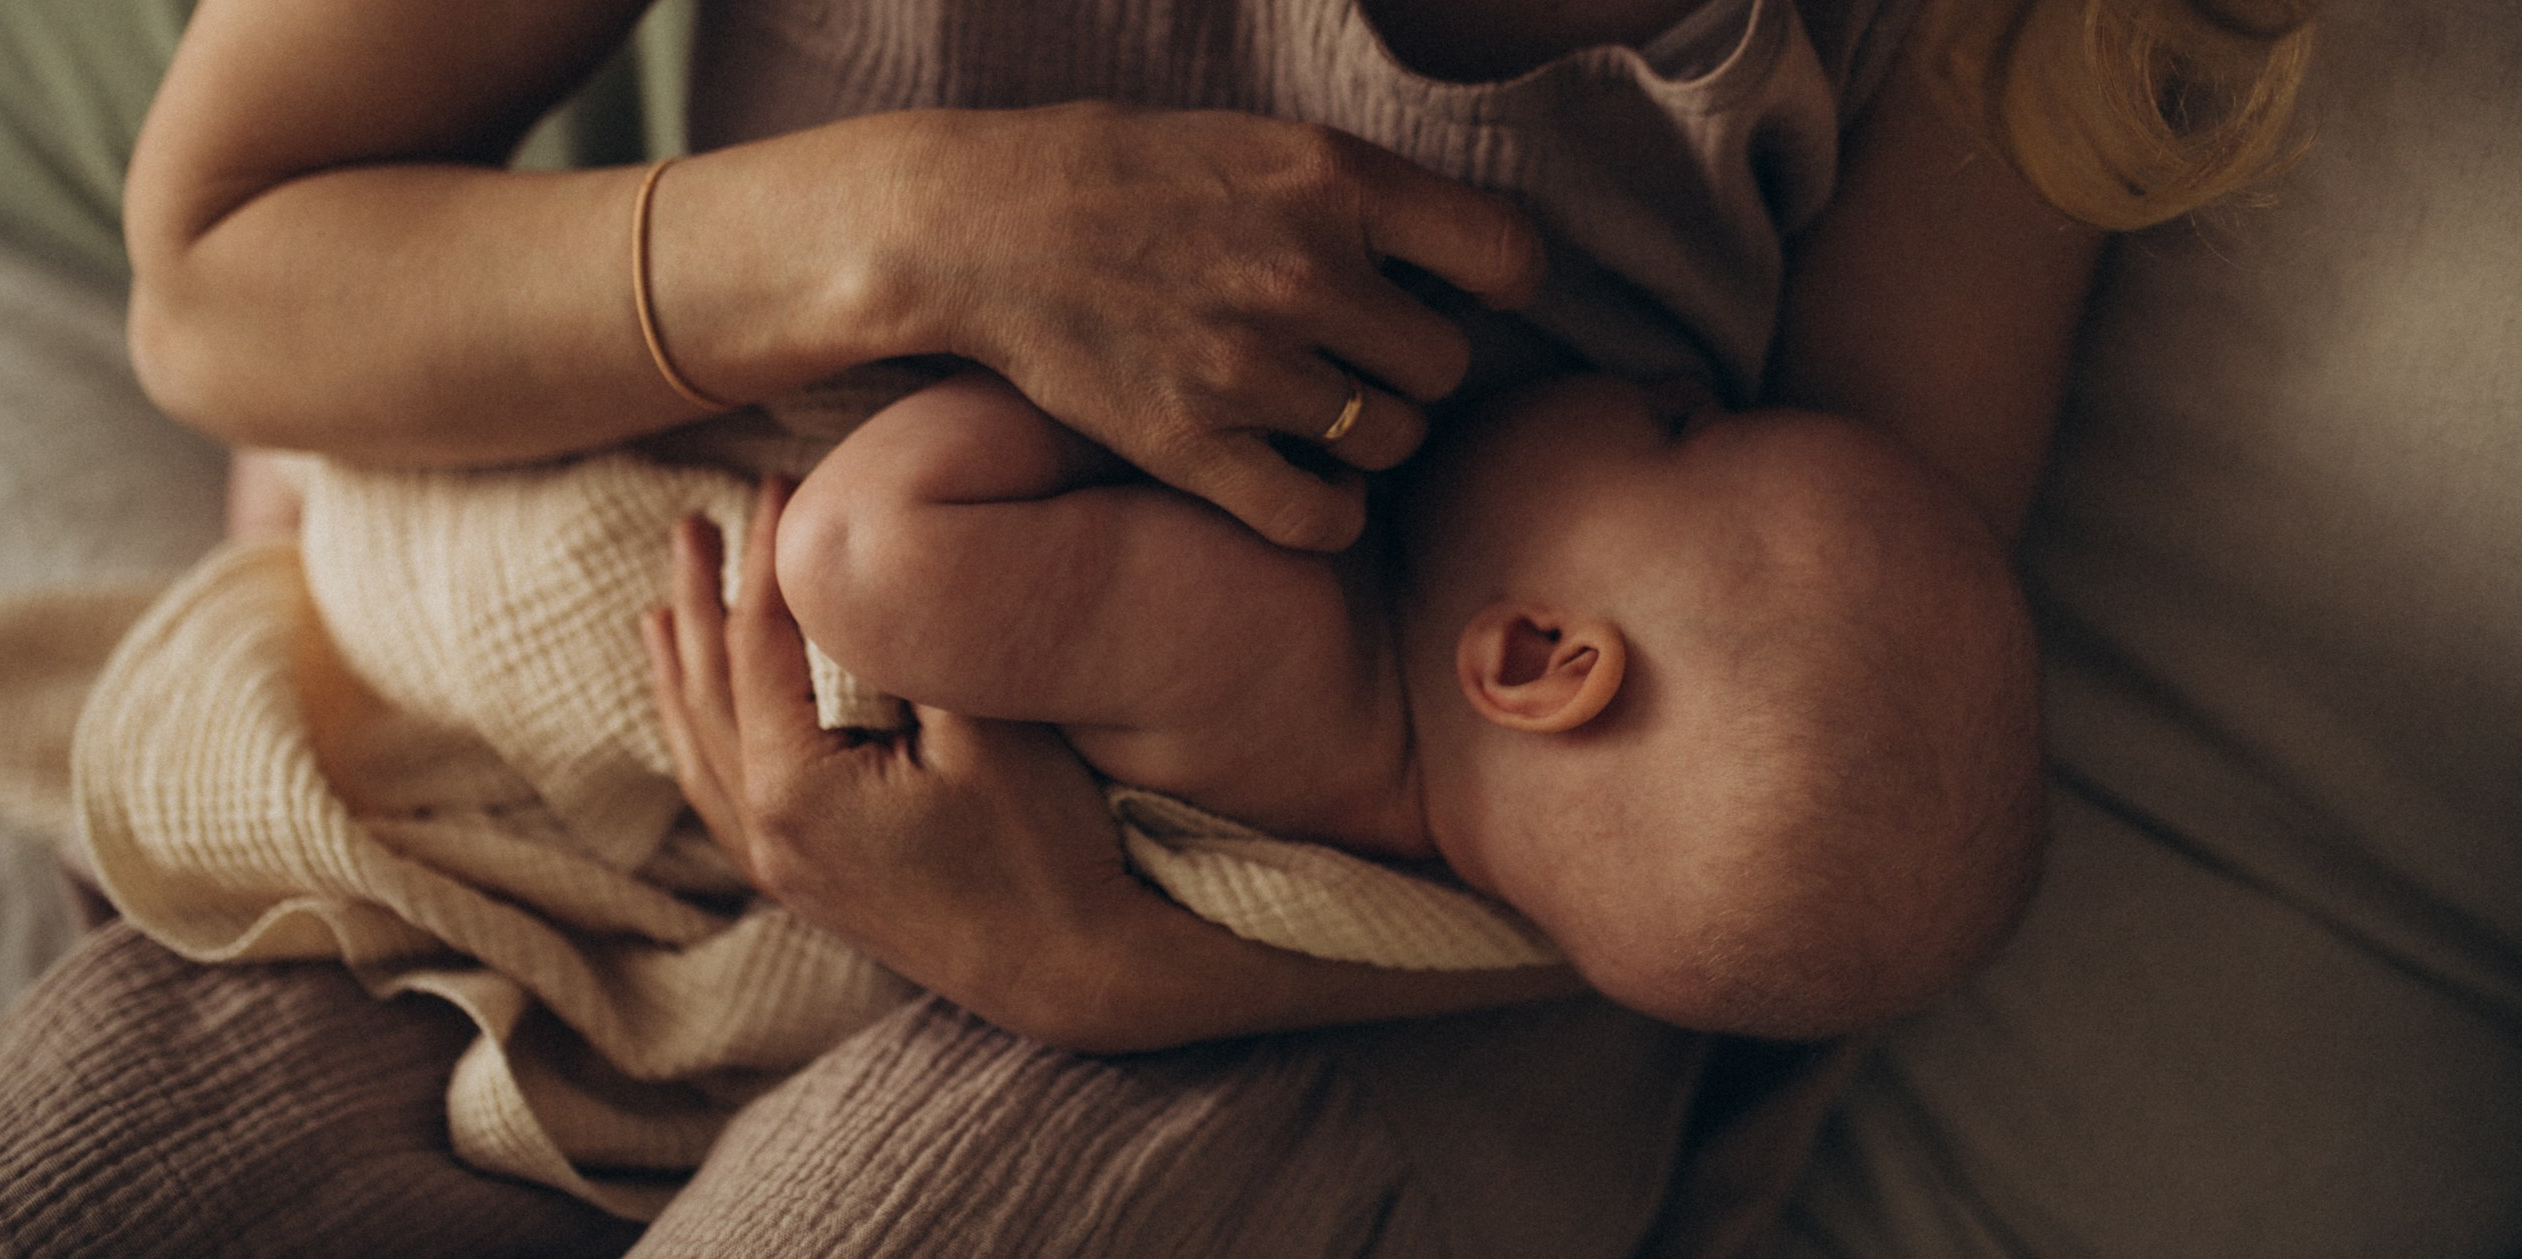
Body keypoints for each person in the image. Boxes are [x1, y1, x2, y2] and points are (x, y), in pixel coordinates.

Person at [0, 0, 2498, 1252]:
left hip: (1414, 989)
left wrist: (1134, 968)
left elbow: (1806, 796)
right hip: (666, 786)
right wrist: (915, 228)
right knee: (112, 1147)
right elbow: (227, 280)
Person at [655, 365, 2038, 1038]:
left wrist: (1126, 396)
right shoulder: (1451, 901)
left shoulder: (1269, 632)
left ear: (1538, 663)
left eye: (1685, 428)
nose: (1672, 378)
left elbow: (854, 556)